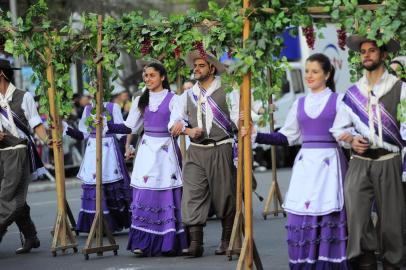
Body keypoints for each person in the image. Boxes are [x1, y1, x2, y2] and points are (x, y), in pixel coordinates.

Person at [242, 53, 351, 269]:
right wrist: (257, 134)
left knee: (329, 210)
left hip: (330, 164)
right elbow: (286, 137)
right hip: (305, 166)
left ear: (327, 75)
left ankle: (329, 262)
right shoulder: (299, 104)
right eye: (307, 71)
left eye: (315, 71)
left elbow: (345, 135)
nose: (309, 75)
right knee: (301, 212)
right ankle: (305, 261)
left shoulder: (339, 101)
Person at [330, 35, 405, 270]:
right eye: (363, 52)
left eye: (372, 51)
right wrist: (351, 139)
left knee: (391, 221)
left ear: (383, 55)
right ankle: (366, 262)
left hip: (389, 160)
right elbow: (338, 129)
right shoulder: (352, 92)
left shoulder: (400, 89)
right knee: (357, 216)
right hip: (359, 161)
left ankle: (393, 263)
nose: (367, 55)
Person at [107, 62, 187, 256]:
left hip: (166, 151)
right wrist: (106, 125)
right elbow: (129, 127)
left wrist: (178, 122)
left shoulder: (173, 99)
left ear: (162, 77)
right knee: (144, 194)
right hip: (146, 152)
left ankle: (173, 242)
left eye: (152, 75)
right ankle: (142, 243)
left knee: (168, 193)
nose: (148, 79)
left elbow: (178, 120)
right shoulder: (139, 100)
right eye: (146, 75)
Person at [169, 50, 238, 257]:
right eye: (195, 66)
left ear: (212, 68)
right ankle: (195, 243)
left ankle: (227, 240)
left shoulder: (229, 90)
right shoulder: (187, 95)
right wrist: (188, 130)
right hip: (196, 150)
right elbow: (173, 123)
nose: (196, 69)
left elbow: (237, 118)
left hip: (221, 147)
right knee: (191, 194)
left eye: (200, 65)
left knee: (225, 194)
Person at [0, 59, 51, 254]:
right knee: (13, 196)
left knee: (8, 197)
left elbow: (36, 124)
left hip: (18, 151)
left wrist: (48, 142)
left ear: (2, 74)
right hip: (1, 152)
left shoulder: (24, 96)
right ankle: (31, 236)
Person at [63, 98, 131, 234]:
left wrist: (127, 148)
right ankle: (97, 224)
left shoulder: (113, 107)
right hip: (92, 152)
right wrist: (66, 128)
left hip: (110, 152)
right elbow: (83, 134)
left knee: (112, 187)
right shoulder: (87, 109)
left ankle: (113, 223)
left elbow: (121, 133)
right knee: (93, 187)